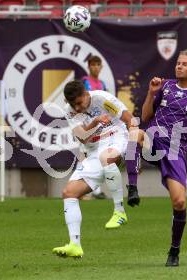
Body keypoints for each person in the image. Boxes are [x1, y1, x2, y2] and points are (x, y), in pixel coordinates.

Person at [124, 48, 187, 266]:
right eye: (178, 63)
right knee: (134, 132)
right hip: (154, 139)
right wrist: (151, 93)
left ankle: (174, 251)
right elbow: (146, 116)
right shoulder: (165, 86)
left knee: (179, 202)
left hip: (176, 151)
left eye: (185, 64)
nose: (179, 66)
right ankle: (132, 188)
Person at [52, 80, 138, 258]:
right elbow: (82, 138)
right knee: (69, 193)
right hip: (92, 150)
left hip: (116, 137)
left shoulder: (103, 99)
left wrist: (133, 150)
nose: (77, 108)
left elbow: (129, 119)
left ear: (86, 94)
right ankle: (75, 245)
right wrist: (96, 122)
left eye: (79, 103)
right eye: (73, 105)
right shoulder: (69, 110)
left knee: (106, 157)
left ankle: (119, 211)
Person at [82, 55, 108, 199]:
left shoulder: (102, 84)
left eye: (98, 64)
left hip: (100, 123)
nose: (96, 67)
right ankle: (83, 188)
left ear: (101, 67)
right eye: (93, 64)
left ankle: (95, 190)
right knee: (84, 154)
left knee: (98, 154)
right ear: (89, 66)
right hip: (87, 123)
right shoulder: (85, 82)